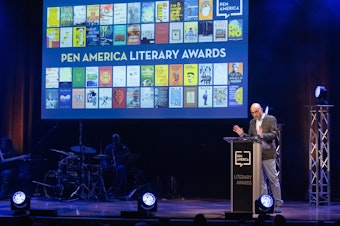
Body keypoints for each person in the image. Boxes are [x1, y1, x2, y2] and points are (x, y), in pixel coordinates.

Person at [233, 103, 283, 213]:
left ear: (261, 109)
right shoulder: (252, 122)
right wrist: (242, 135)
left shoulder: (270, 119)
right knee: (261, 182)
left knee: (273, 179)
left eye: (256, 112)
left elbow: (274, 134)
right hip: (256, 155)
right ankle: (265, 204)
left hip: (268, 154)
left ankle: (278, 203)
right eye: (252, 113)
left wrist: (262, 135)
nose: (254, 115)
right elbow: (251, 138)